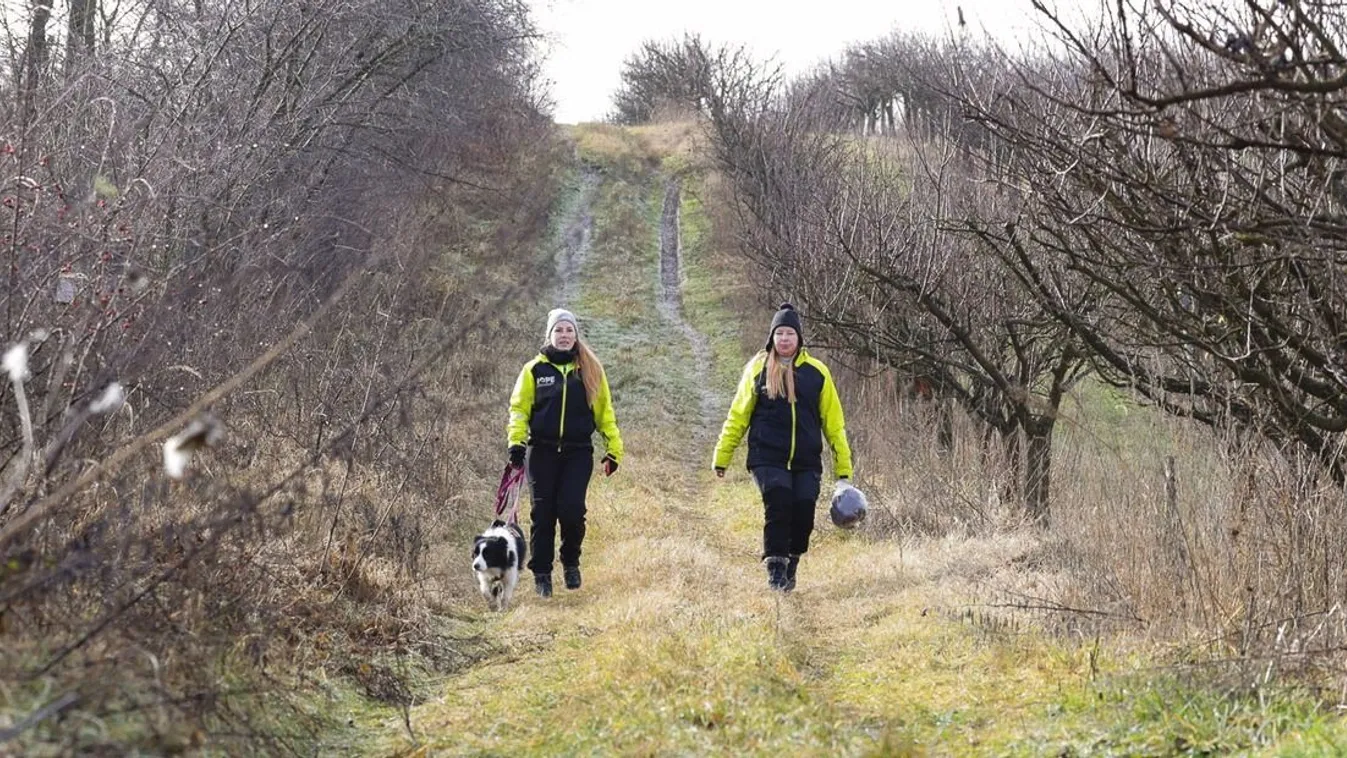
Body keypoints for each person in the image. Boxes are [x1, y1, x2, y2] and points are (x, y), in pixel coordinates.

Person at [713, 303, 853, 592]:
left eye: (790, 333)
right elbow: (738, 415)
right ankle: (775, 569)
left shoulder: (817, 373)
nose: (785, 339)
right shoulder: (758, 369)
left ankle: (792, 560)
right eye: (780, 334)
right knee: (778, 498)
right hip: (767, 456)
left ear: (799, 338)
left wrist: (843, 468)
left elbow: (833, 422)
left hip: (806, 459)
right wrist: (722, 456)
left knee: (803, 508)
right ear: (772, 338)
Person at [507, 308, 623, 597]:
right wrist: (516, 444)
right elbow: (519, 410)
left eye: (569, 330)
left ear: (575, 335)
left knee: (571, 511)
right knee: (542, 513)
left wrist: (613, 449)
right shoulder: (533, 370)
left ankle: (571, 562)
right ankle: (542, 574)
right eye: (559, 330)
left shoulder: (590, 370)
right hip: (541, 451)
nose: (564, 335)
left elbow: (604, 413)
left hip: (577, 453)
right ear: (550, 334)